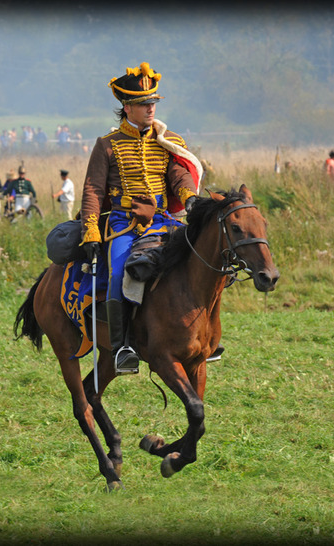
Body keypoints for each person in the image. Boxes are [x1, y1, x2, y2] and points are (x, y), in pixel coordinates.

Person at [79, 61, 199, 373]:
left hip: (162, 220)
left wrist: (190, 199)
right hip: (123, 224)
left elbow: (178, 176)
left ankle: (201, 336)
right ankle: (122, 348)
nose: (151, 109)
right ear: (126, 106)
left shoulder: (166, 139)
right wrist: (91, 231)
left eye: (153, 103)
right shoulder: (107, 145)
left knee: (197, 262)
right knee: (120, 274)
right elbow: (93, 189)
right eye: (144, 104)